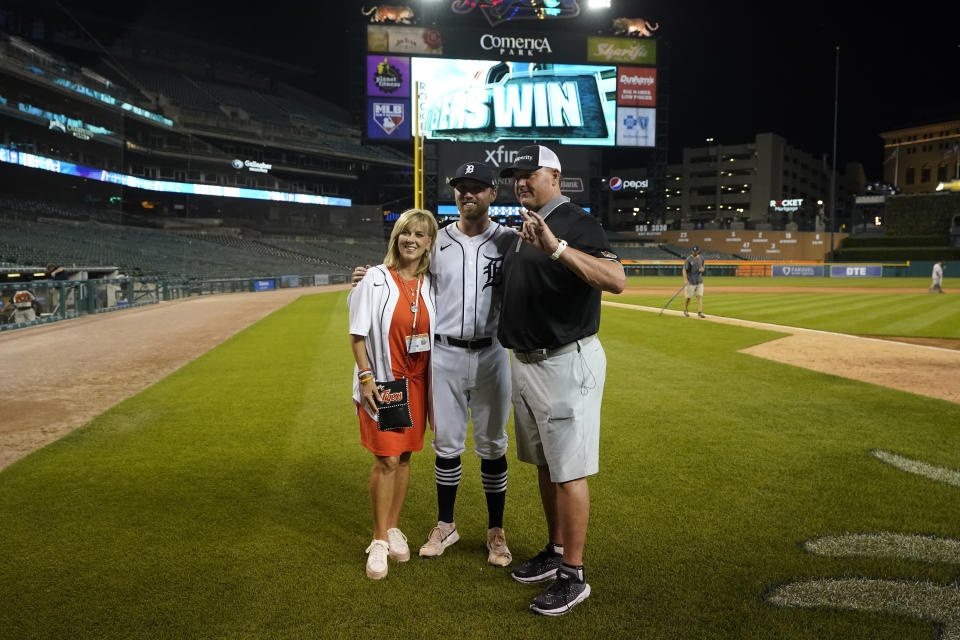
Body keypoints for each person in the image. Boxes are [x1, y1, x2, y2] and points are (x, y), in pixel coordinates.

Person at [352, 161, 516, 567]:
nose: (468, 194)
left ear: (493, 193)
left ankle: (496, 530)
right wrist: (369, 276)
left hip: (492, 352)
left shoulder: (511, 240)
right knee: (443, 444)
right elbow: (398, 270)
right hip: (439, 358)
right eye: (461, 187)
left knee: (492, 443)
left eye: (477, 187)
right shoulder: (437, 240)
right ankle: (444, 525)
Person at [497, 145, 625, 616]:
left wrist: (558, 248)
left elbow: (616, 279)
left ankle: (574, 574)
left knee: (568, 470)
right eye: (516, 176)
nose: (521, 182)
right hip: (526, 363)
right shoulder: (522, 227)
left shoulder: (577, 223)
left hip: (565, 362)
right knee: (547, 466)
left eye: (529, 174)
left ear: (555, 175)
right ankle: (555, 552)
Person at [348, 208, 438, 580]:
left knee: (403, 459)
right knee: (386, 460)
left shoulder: (433, 282)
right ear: (396, 238)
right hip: (388, 383)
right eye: (405, 233)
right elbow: (357, 334)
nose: (411, 240)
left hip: (418, 382)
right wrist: (367, 377)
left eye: (419, 234)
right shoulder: (376, 279)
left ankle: (394, 525)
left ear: (429, 242)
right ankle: (379, 538)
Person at [682, 245, 705, 317]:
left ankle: (700, 312)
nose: (695, 252)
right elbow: (684, 270)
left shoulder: (701, 258)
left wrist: (702, 269)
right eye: (693, 251)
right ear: (692, 251)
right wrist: (685, 280)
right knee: (688, 297)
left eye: (696, 251)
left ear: (698, 251)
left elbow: (703, 267)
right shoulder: (689, 259)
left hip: (699, 281)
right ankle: (685, 310)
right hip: (691, 281)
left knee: (699, 296)